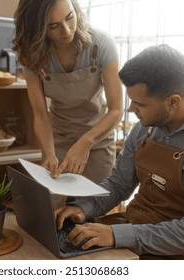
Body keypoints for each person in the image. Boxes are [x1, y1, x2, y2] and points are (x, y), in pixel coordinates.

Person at [55, 44, 184, 259]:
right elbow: (118, 184)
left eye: (139, 104)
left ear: (173, 102)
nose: (131, 110)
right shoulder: (145, 128)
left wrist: (116, 235)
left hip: (182, 254)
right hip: (133, 230)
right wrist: (84, 207)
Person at [12, 0, 123, 186]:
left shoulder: (101, 43)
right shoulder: (31, 54)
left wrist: (86, 142)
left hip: (97, 136)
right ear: (37, 29)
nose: (66, 30)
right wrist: (49, 153)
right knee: (54, 207)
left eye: (70, 17)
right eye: (53, 26)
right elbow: (40, 114)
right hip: (57, 138)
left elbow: (116, 109)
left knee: (96, 205)